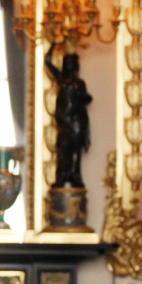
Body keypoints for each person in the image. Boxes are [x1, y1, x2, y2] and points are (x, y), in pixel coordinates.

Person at [45, 50, 92, 188]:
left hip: (76, 122)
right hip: (65, 123)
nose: (69, 66)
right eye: (67, 63)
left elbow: (87, 98)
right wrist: (53, 45)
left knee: (75, 150)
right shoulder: (62, 80)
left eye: (71, 63)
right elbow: (48, 62)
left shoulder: (79, 83)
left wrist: (80, 97)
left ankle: (74, 176)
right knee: (63, 149)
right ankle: (63, 175)